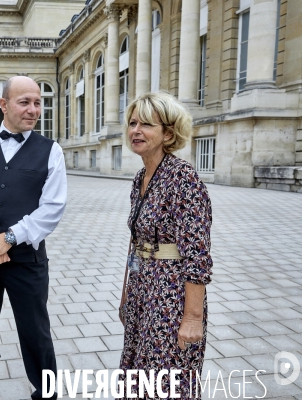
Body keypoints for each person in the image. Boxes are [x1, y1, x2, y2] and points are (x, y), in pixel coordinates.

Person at [0, 76, 67, 400]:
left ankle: (47, 394)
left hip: (28, 262)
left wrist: (9, 238)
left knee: (36, 334)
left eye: (38, 102)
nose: (34, 109)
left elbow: (52, 207)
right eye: (25, 102)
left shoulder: (52, 152)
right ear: (3, 105)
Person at [118, 92, 212, 399]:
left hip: (170, 295)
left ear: (168, 133)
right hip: (141, 288)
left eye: (146, 124)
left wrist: (193, 318)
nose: (136, 130)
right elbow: (137, 242)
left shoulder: (183, 178)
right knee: (138, 374)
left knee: (167, 379)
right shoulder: (140, 177)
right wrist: (126, 293)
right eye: (132, 123)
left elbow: (197, 255)